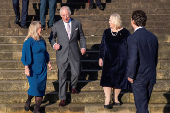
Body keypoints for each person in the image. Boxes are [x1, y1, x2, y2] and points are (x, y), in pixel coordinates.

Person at [49, 6, 86, 107]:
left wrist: (83, 47)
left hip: (74, 52)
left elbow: (82, 37)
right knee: (62, 76)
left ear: (70, 14)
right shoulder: (56, 25)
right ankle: (62, 98)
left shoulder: (77, 23)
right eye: (63, 15)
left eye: (67, 15)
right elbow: (51, 37)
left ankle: (73, 86)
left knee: (77, 72)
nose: (65, 17)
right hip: (62, 53)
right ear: (60, 16)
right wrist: (54, 44)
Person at [126, 10, 158, 113]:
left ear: (133, 21)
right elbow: (155, 58)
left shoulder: (132, 38)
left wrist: (130, 74)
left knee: (141, 108)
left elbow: (133, 58)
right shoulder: (153, 37)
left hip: (139, 77)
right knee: (142, 106)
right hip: (151, 75)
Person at [99, 13, 131, 109]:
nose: (109, 22)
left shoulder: (125, 32)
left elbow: (130, 47)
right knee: (107, 79)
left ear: (116, 21)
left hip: (121, 61)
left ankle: (115, 97)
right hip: (108, 59)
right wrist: (101, 57)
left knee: (119, 79)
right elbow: (102, 46)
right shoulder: (106, 32)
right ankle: (107, 99)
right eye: (109, 20)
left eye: (111, 20)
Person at [21, 21, 52, 113]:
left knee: (41, 87)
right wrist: (26, 67)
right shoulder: (29, 42)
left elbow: (45, 52)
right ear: (35, 29)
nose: (42, 29)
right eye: (40, 28)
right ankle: (29, 100)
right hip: (32, 68)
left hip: (42, 67)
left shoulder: (42, 40)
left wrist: (48, 62)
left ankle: (37, 108)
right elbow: (25, 55)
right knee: (34, 87)